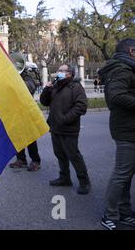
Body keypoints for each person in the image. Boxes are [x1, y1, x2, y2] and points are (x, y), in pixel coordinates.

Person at [98, 38, 135, 230]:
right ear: (131, 51)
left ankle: (125, 212)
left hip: (129, 127)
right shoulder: (121, 69)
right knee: (122, 173)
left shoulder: (126, 68)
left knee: (127, 173)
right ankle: (110, 215)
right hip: (126, 130)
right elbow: (116, 96)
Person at [40, 63, 90, 194]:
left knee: (73, 155)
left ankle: (84, 182)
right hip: (55, 128)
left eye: (62, 70)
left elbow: (81, 106)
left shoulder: (76, 87)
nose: (59, 72)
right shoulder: (55, 86)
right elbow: (44, 102)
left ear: (70, 73)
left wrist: (65, 119)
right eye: (58, 70)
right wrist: (47, 89)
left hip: (69, 129)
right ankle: (64, 178)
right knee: (60, 154)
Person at [9, 67, 41, 171]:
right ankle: (21, 159)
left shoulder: (28, 76)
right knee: (18, 137)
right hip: (15, 111)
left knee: (30, 137)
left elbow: (31, 87)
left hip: (26, 111)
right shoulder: (11, 75)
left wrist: (17, 80)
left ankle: (35, 160)